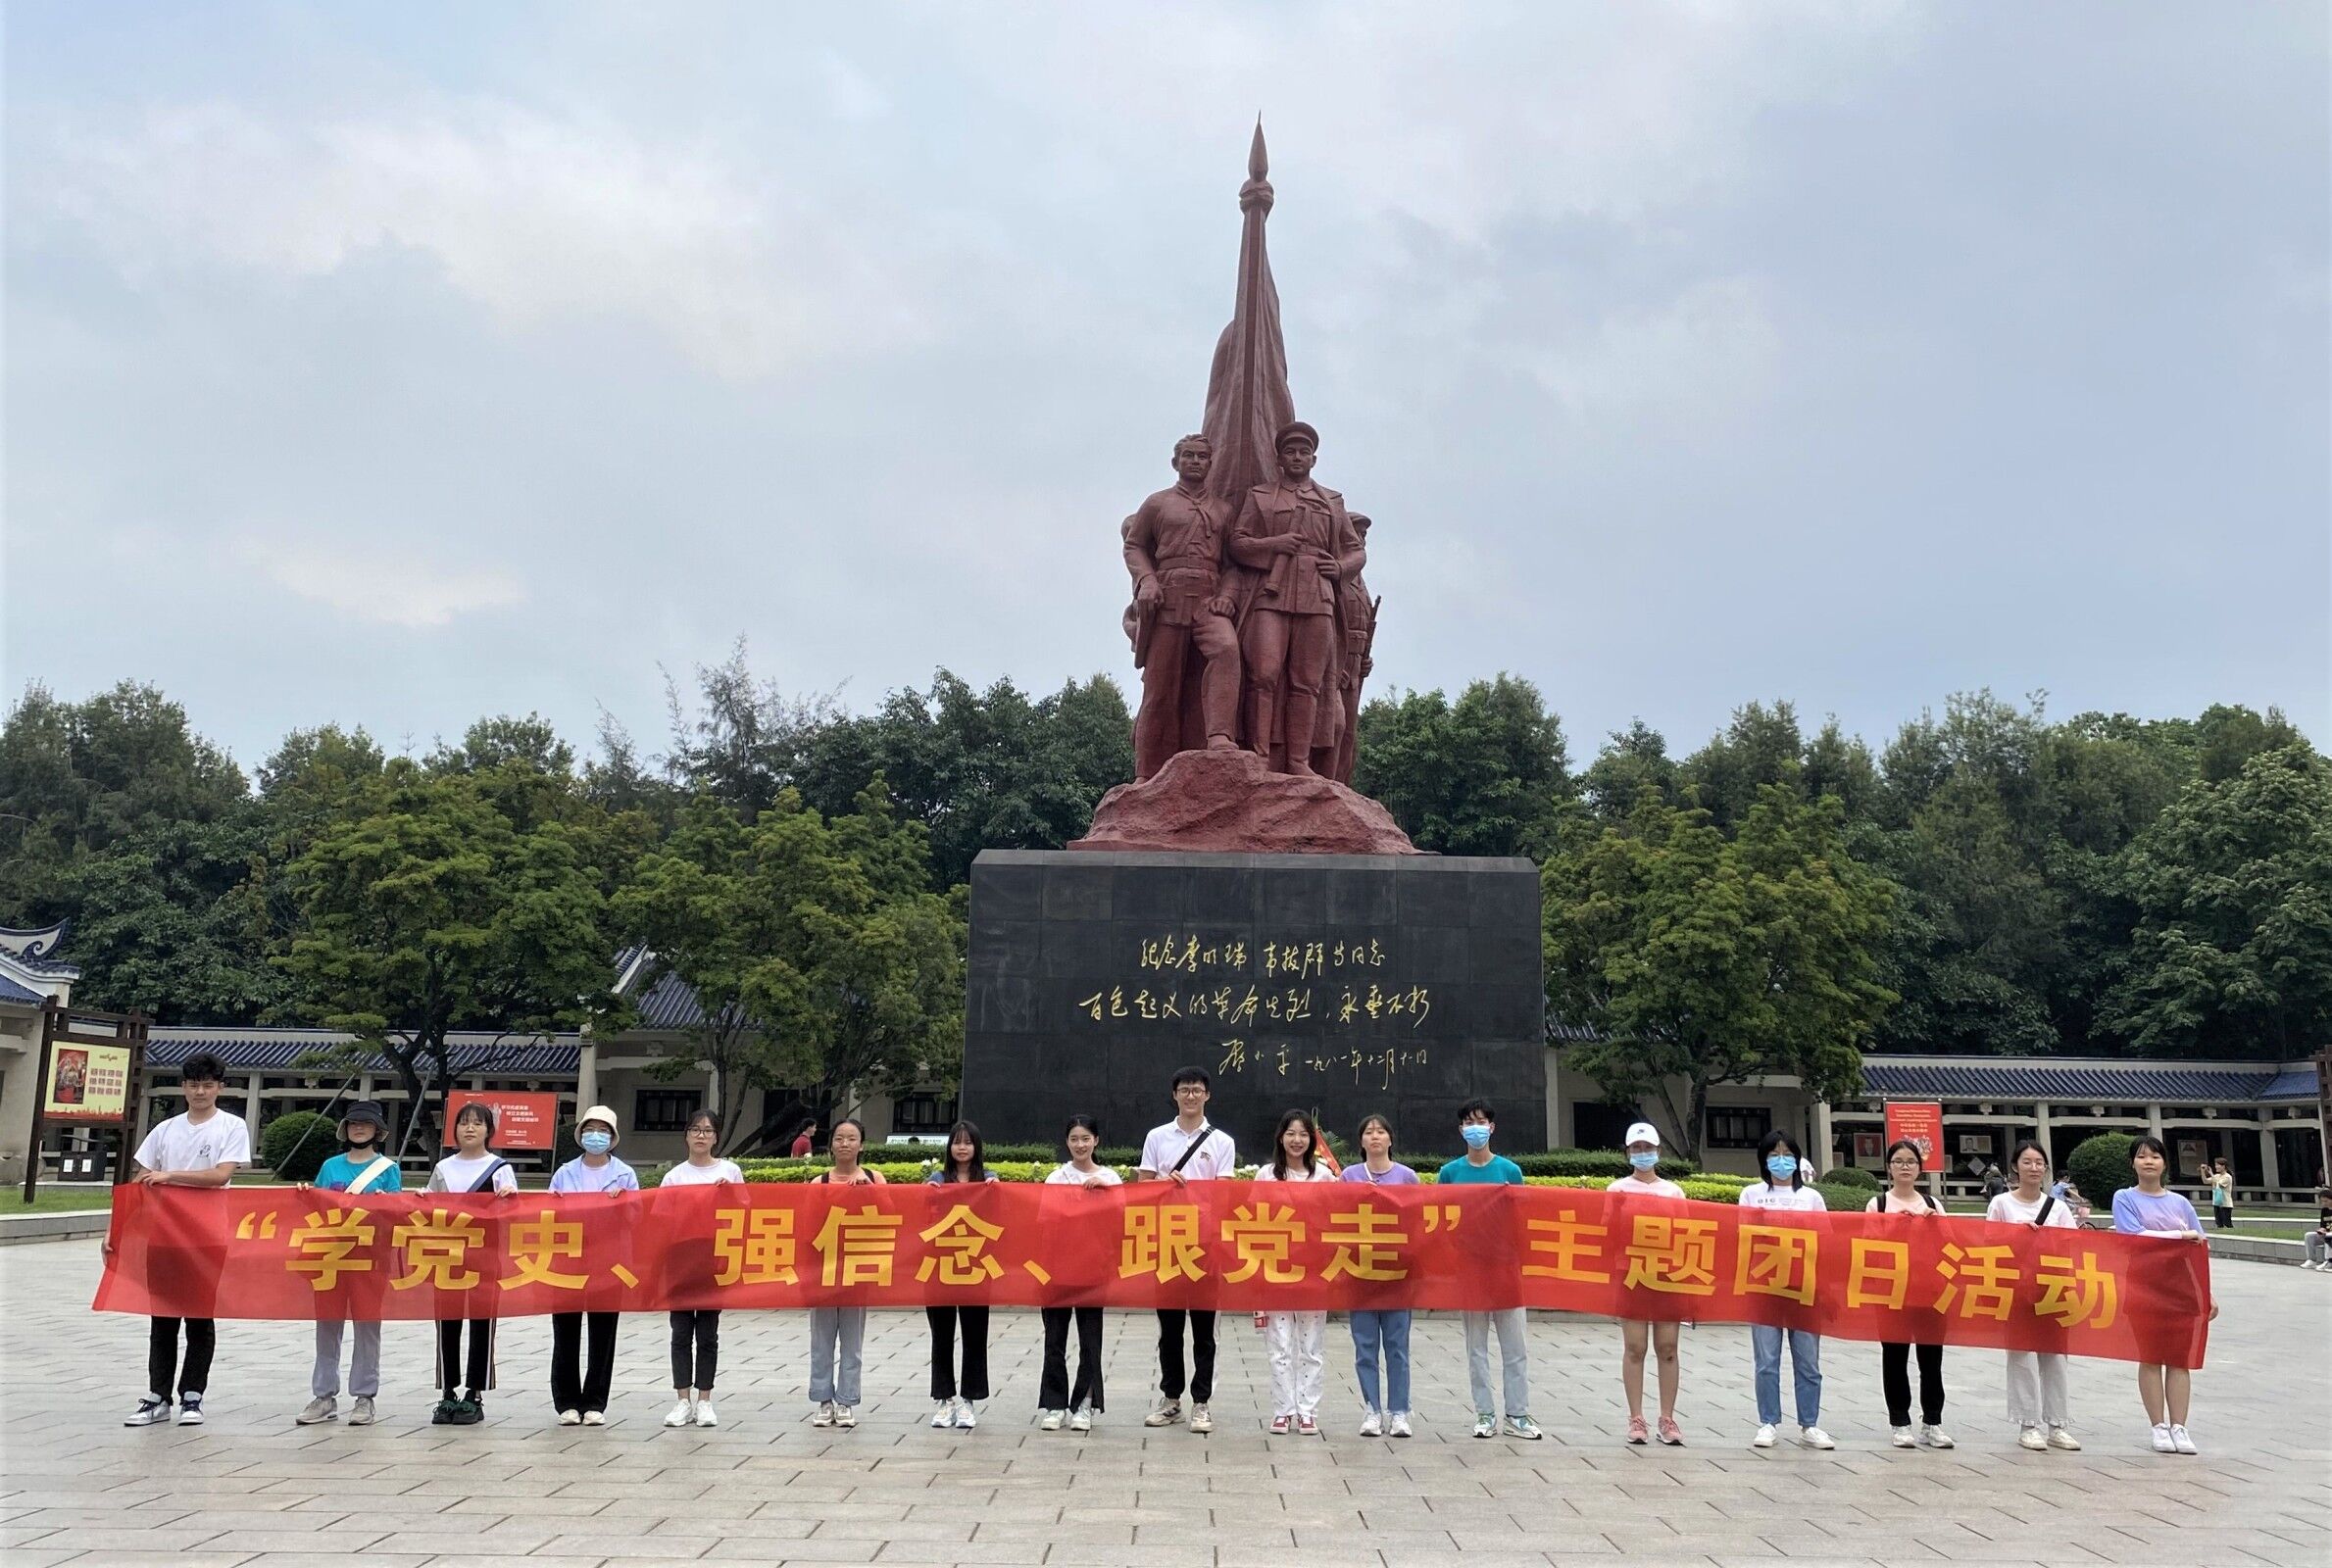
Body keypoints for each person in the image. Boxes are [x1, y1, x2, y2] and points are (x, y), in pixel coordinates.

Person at [123, 1052, 251, 1427]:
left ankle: (192, 1395)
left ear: (219, 1088)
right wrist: (120, 1230)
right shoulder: (165, 1129)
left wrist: (170, 1176)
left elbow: (221, 1175)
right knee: (162, 1318)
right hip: (164, 1233)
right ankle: (157, 1396)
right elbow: (141, 1179)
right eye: (194, 1085)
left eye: (208, 1085)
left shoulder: (232, 1126)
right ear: (183, 1087)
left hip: (207, 1234)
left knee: (199, 1318)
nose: (200, 1092)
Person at [1122, 432, 1243, 777]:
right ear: (1175, 462)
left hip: (1208, 597)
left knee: (1227, 650)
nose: (1195, 461)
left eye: (1201, 457)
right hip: (1168, 598)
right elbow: (1134, 546)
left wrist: (1227, 596)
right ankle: (1147, 771)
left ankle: (1219, 735)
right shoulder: (1157, 503)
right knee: (1160, 685)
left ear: (1210, 464)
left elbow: (1233, 564)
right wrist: (1146, 580)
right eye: (1188, 455)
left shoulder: (1223, 510)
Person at [1137, 1067, 1236, 1435]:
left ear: (1207, 1095)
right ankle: (1171, 1398)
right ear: (1174, 1095)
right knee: (1170, 1329)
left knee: (1205, 1331)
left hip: (1206, 1245)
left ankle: (1202, 1402)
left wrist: (1191, 1192)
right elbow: (1142, 1188)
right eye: (1184, 1090)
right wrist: (1164, 1184)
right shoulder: (1157, 1137)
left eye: (1197, 1090)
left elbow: (1224, 1194)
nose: (1191, 1095)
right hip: (1168, 1243)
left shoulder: (1222, 1142)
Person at [1437, 1099, 1540, 1440]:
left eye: (1481, 1122)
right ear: (1461, 1130)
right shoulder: (1450, 1173)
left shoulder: (1510, 1171)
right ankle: (1484, 1414)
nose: (1476, 1128)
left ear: (1492, 1128)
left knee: (1515, 1348)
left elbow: (1523, 1219)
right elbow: (1440, 1220)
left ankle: (1518, 1414)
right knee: (1476, 1348)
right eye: (1469, 1123)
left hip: (1506, 1269)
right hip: (1470, 1270)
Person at [2112, 1135, 2218, 1454]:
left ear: (2164, 1163)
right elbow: (2135, 1237)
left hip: (2180, 1289)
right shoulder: (2124, 1198)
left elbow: (2198, 1248)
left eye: (2155, 1156)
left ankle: (2180, 1427)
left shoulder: (2181, 1203)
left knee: (2179, 1360)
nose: (2149, 1161)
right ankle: (2158, 1426)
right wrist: (2180, 1236)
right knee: (2150, 1357)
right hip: (2143, 1287)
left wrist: (2206, 1293)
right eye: (2142, 1156)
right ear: (2132, 1163)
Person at [298, 1100, 401, 1427]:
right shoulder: (330, 1167)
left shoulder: (388, 1169)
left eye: (366, 1124)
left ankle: (364, 1396)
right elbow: (316, 1212)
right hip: (332, 1257)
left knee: (367, 1328)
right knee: (327, 1326)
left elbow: (397, 1217)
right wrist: (305, 1193)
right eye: (354, 1123)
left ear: (377, 1131)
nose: (359, 1128)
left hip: (370, 1260)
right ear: (345, 1129)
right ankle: (324, 1395)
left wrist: (386, 1205)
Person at [425, 1101, 519, 1424]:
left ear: (488, 1130)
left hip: (485, 1257)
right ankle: (447, 1392)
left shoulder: (500, 1168)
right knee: (446, 1323)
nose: (470, 1128)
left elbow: (512, 1216)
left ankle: (474, 1393)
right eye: (464, 1122)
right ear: (454, 1130)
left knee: (482, 1324)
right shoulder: (443, 1168)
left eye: (477, 1123)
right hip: (447, 1256)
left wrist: (509, 1199)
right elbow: (429, 1212)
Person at [1987, 1140, 2081, 1453]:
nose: (2033, 1168)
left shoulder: (2058, 1207)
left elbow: (2072, 1246)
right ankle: (2028, 1424)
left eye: (2039, 1162)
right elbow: (1989, 1245)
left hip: (2052, 1287)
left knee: (2055, 1358)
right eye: (2027, 1162)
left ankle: (2058, 1424)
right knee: (2022, 1357)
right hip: (2017, 1289)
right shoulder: (2001, 1204)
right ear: (2015, 1167)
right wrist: (2017, 1237)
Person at [548, 1104, 638, 1426]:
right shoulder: (565, 1173)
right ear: (581, 1134)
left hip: (608, 1262)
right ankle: (567, 1402)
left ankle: (595, 1402)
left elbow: (637, 1218)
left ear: (612, 1138)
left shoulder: (625, 1174)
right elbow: (546, 1215)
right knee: (566, 1332)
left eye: (602, 1131)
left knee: (603, 1334)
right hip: (568, 1261)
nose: (595, 1136)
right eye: (590, 1130)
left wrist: (624, 1201)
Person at [1741, 1129, 1832, 1450]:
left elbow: (1826, 1243)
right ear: (1764, 1160)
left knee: (1808, 1361)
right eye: (1774, 1154)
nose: (1781, 1160)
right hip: (1764, 1287)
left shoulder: (1811, 1198)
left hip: (1804, 1287)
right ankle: (1768, 1422)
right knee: (1767, 1361)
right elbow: (1743, 1238)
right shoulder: (1751, 1195)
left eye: (1787, 1154)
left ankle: (1810, 1424)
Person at [1254, 1109, 1336, 1436]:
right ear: (1281, 1137)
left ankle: (1307, 1411)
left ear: (1311, 1140)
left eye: (1303, 1134)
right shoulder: (1266, 1175)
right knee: (1280, 1346)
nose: (1297, 1140)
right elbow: (1253, 1219)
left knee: (1311, 1347)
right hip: (1276, 1271)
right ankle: (1283, 1410)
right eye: (1291, 1133)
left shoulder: (1324, 1176)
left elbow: (1335, 1218)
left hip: (1314, 1271)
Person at [1606, 1121, 1687, 1446]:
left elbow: (1685, 1235)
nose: (1643, 1153)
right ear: (1628, 1152)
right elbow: (1608, 1233)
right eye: (1636, 1148)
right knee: (1635, 1347)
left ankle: (1667, 1418)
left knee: (1667, 1348)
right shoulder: (1617, 1190)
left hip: (1667, 1276)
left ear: (1658, 1151)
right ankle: (1636, 1417)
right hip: (1632, 1275)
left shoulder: (1673, 1191)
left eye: (1648, 1148)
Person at [1867, 1139, 1953, 1450]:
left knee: (1931, 1360)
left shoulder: (1932, 1203)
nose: (1905, 1167)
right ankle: (1900, 1422)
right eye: (1898, 1161)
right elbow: (1869, 1247)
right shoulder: (1878, 1204)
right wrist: (1896, 1227)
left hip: (1929, 1292)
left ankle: (1933, 1422)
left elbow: (1951, 1244)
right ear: (1889, 1167)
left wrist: (1931, 1225)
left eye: (1911, 1162)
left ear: (1919, 1168)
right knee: (1894, 1357)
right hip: (1892, 1292)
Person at [660, 1108, 742, 1428]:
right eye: (695, 1129)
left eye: (708, 1130)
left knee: (708, 1333)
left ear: (716, 1137)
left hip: (714, 1258)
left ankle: (705, 1399)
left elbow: (746, 1212)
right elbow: (661, 1219)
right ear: (686, 1135)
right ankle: (682, 1400)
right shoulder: (674, 1177)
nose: (701, 1136)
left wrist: (729, 1195)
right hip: (680, 1259)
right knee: (681, 1332)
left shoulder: (730, 1172)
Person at [1038, 1114, 1119, 1431]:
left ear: (1096, 1141)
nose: (1080, 1145)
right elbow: (1045, 1221)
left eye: (1086, 1138)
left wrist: (1106, 1194)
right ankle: (1055, 1404)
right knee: (1054, 1340)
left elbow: (1123, 1220)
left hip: (1093, 1269)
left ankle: (1085, 1402)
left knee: (1090, 1340)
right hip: (1058, 1268)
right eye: (1074, 1139)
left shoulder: (1110, 1178)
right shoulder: (1056, 1178)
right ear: (1067, 1142)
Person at [1340, 1112, 1417, 1437]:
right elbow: (1337, 1217)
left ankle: (1399, 1411)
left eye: (1380, 1132)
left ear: (1390, 1139)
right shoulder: (1349, 1176)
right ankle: (1372, 1409)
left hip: (1397, 1274)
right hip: (1361, 1272)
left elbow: (1417, 1221)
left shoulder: (1407, 1176)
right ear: (1361, 1141)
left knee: (1397, 1347)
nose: (1375, 1136)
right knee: (1365, 1347)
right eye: (1369, 1132)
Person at [808, 1116, 885, 1429]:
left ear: (861, 1145)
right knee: (821, 1341)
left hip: (857, 1270)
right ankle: (823, 1400)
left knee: (852, 1343)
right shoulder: (820, 1183)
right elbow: (807, 1224)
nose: (845, 1144)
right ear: (831, 1145)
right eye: (839, 1138)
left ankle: (847, 1401)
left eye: (852, 1138)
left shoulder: (874, 1178)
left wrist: (870, 1193)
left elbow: (891, 1216)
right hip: (824, 1271)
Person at [926, 1119, 999, 1430]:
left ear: (976, 1146)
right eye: (957, 1142)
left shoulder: (989, 1178)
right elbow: (923, 1214)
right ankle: (944, 1400)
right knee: (941, 1338)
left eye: (968, 1142)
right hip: (941, 1268)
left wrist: (996, 1191)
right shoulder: (937, 1178)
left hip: (975, 1269)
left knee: (975, 1337)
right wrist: (928, 1195)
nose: (962, 1147)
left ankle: (968, 1401)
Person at [2305, 1187, 2332, 1271]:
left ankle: (2329, 1262)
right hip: (2327, 1233)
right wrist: (2321, 1230)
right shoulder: (2324, 1210)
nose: (2324, 1203)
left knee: (2328, 1236)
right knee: (2309, 1236)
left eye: (2326, 1201)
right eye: (2322, 1201)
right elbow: (2323, 1225)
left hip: (2330, 1235)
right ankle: (2311, 1260)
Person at [2208, 1157, 2234, 1230]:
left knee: (2227, 1223)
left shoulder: (2227, 1177)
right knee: (2219, 1223)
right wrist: (2203, 1172)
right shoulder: (2216, 1176)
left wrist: (2211, 1174)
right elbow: (2205, 1181)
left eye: (2217, 1165)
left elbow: (2218, 1183)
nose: (2216, 1167)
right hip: (2217, 1202)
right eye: (2215, 1165)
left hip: (2225, 1204)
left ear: (2223, 1166)